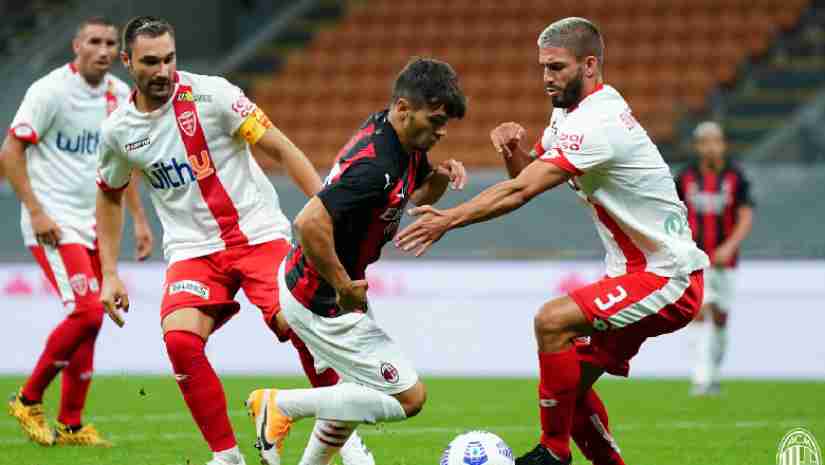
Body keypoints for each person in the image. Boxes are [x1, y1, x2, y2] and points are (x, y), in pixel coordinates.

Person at [395, 18, 709, 465]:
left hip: (668, 276)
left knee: (552, 322)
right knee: (570, 385)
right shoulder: (569, 114)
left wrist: (448, 220)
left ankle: (553, 455)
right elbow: (526, 175)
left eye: (557, 67)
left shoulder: (598, 123)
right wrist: (512, 153)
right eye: (542, 67)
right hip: (636, 273)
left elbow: (523, 191)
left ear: (589, 65)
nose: (546, 77)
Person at [94, 16, 372, 465]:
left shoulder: (213, 94)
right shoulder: (118, 132)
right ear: (127, 62)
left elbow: (280, 148)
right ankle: (227, 457)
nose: (163, 70)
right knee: (180, 341)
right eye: (150, 62)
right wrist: (108, 273)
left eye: (169, 59)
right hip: (192, 251)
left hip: (258, 235)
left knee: (301, 324)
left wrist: (326, 213)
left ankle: (345, 439)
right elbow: (107, 196)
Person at [244, 57, 468, 465]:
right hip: (321, 298)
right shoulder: (375, 167)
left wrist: (439, 178)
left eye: (445, 123)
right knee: (408, 398)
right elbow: (308, 221)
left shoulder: (399, 141)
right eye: (435, 121)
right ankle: (279, 405)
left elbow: (416, 197)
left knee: (353, 392)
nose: (442, 131)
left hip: (322, 290)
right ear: (403, 109)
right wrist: (344, 285)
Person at [3, 17, 153, 448]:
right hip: (53, 221)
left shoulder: (119, 97)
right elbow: (10, 153)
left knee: (92, 320)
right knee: (88, 312)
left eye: (110, 43)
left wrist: (139, 220)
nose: (103, 50)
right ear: (76, 45)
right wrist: (35, 211)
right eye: (94, 42)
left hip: (94, 226)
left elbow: (124, 166)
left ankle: (70, 425)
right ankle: (28, 398)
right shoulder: (49, 91)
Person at [675, 122, 754, 396]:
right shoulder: (684, 178)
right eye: (704, 141)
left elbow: (745, 216)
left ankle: (714, 374)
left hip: (726, 263)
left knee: (721, 318)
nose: (710, 146)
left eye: (715, 141)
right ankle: (700, 379)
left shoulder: (737, 177)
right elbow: (673, 216)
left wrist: (730, 246)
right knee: (698, 312)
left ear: (723, 144)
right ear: (697, 146)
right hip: (695, 260)